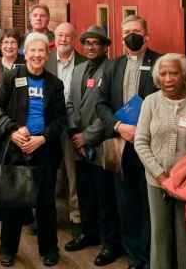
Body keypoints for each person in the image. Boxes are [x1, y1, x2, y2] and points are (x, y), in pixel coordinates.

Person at [0, 32, 66, 267]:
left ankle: (49, 249)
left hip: (44, 150)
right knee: (13, 202)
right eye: (32, 50)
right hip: (16, 149)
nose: (36, 55)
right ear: (25, 53)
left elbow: (61, 119)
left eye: (41, 51)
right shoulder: (13, 77)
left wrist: (43, 138)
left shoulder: (55, 83)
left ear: (47, 54)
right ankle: (8, 250)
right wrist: (12, 131)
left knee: (45, 203)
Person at [96, 14, 161, 269]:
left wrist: (142, 131)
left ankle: (151, 255)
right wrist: (119, 126)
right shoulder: (112, 66)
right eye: (125, 32)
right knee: (126, 203)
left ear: (146, 35)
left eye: (135, 31)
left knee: (148, 204)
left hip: (150, 145)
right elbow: (100, 104)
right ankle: (135, 257)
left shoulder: (159, 63)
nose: (130, 36)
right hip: (121, 144)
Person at [134, 53, 186, 269]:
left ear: (183, 75)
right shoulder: (150, 102)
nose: (168, 78)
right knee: (160, 234)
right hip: (157, 182)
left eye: (174, 73)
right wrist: (162, 176)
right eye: (163, 74)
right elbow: (140, 142)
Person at [64, 25, 122, 267]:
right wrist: (76, 133)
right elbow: (69, 103)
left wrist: (89, 136)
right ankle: (89, 233)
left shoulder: (113, 70)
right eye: (87, 43)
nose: (90, 47)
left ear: (105, 47)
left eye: (96, 43)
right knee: (85, 193)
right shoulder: (77, 70)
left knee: (105, 197)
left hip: (102, 144)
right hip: (79, 145)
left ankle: (110, 243)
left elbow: (111, 108)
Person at [45, 22, 85, 230]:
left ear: (74, 38)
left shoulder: (84, 63)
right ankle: (45, 213)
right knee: (48, 170)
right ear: (54, 36)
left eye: (67, 36)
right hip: (49, 124)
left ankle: (76, 214)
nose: (63, 39)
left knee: (73, 172)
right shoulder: (45, 59)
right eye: (60, 35)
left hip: (72, 125)